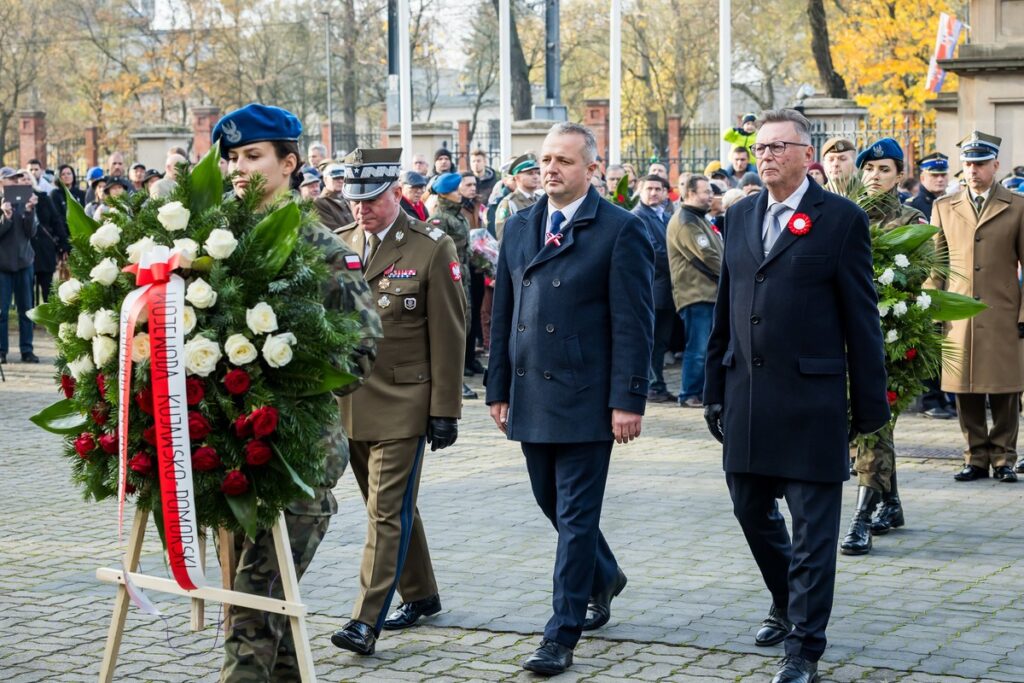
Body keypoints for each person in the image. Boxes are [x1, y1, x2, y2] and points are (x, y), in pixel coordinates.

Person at [703, 109, 889, 683]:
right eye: (760, 147)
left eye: (780, 146)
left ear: (807, 156)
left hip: (812, 400)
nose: (766, 156)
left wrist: (871, 407)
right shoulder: (738, 217)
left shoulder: (839, 219)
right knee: (749, 510)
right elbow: (724, 311)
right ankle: (787, 600)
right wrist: (714, 389)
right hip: (748, 397)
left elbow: (861, 318)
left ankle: (804, 647)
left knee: (813, 531)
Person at [210, 102, 382, 682]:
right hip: (227, 451)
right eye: (231, 157)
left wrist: (288, 373)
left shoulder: (320, 248)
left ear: (289, 163)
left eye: (252, 156)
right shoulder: (212, 247)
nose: (238, 169)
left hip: (298, 451)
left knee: (251, 603)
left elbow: (362, 347)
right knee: (264, 605)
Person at [486, 122, 654, 676]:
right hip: (531, 391)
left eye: (563, 160)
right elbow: (505, 315)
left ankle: (561, 633)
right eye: (544, 159)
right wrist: (498, 387)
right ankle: (605, 575)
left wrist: (628, 399)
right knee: (549, 502)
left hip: (586, 396)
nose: (550, 169)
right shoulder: (519, 225)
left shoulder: (619, 228)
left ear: (590, 169)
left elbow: (634, 323)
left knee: (577, 518)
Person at [330, 148, 466, 656]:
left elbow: (450, 334)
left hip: (406, 400)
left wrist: (445, 410)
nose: (361, 210)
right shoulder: (340, 243)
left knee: (385, 513)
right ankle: (422, 592)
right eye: (354, 200)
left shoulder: (431, 246)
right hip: (350, 400)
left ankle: (365, 621)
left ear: (394, 194)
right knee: (389, 506)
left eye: (370, 200)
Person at [840, 138, 927, 555]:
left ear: (899, 175)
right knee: (863, 423)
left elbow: (921, 280)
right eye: (869, 168)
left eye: (885, 169)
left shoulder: (912, 219)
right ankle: (889, 504)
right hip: (841, 340)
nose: (875, 176)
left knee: (875, 424)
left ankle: (859, 521)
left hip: (892, 340)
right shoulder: (842, 215)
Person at [929, 131, 1024, 483]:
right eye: (968, 164)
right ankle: (975, 457)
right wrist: (935, 311)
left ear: (995, 165)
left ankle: (1004, 458)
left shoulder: (1017, 206)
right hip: (958, 312)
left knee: (1005, 389)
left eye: (981, 164)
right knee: (964, 388)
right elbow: (935, 265)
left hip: (1003, 311)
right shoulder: (943, 207)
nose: (973, 170)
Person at [667, 174, 722, 408]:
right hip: (696, 293)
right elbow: (708, 255)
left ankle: (698, 392)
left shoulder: (698, 218)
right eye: (705, 191)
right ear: (690, 193)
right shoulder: (687, 220)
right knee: (698, 349)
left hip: (706, 292)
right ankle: (689, 393)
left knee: (705, 347)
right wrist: (732, 274)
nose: (710, 196)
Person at [428, 171, 477, 400]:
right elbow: (436, 253)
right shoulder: (439, 218)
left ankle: (459, 378)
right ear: (447, 194)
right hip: (450, 279)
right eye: (457, 190)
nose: (461, 194)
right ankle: (454, 382)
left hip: (463, 276)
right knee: (453, 331)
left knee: (465, 327)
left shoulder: (458, 215)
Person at [632, 174, 675, 403]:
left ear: (666, 193)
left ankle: (658, 384)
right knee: (650, 340)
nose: (654, 193)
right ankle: (651, 385)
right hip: (651, 289)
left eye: (658, 189)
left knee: (661, 341)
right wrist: (679, 260)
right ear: (640, 190)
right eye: (649, 188)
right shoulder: (637, 217)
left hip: (668, 289)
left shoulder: (667, 217)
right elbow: (654, 251)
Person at [0, 168, 40, 364]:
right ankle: (1, 351)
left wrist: (30, 212)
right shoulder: (2, 203)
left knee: (26, 310)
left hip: (24, 262)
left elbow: (31, 232)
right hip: (2, 266)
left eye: (16, 178)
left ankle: (27, 350)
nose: (14, 181)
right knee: (2, 312)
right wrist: (5, 216)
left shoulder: (24, 200)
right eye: (9, 179)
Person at [494, 153, 543, 240]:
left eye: (537, 173)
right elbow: (503, 238)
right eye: (530, 173)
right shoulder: (509, 203)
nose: (536, 176)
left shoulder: (541, 199)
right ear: (517, 177)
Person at [313, 163, 355, 230]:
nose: (340, 181)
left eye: (342, 178)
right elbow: (333, 231)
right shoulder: (320, 202)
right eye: (336, 178)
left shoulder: (347, 198)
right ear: (325, 180)